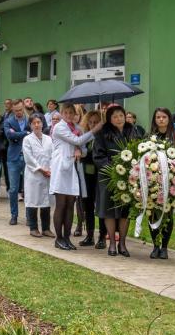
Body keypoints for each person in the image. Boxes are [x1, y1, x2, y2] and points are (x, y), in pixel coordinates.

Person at [50, 103, 100, 251]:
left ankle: (67, 238)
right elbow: (77, 141)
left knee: (70, 204)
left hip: (72, 169)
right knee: (61, 204)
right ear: (61, 114)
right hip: (61, 167)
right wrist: (96, 129)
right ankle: (58, 238)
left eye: (71, 113)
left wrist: (79, 151)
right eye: (66, 113)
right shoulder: (60, 127)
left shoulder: (77, 129)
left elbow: (83, 150)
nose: (69, 115)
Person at [93, 105, 136, 257]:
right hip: (108, 176)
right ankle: (111, 242)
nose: (119, 119)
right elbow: (98, 156)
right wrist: (114, 168)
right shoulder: (102, 134)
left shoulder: (133, 131)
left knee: (125, 211)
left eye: (121, 115)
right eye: (115, 116)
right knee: (109, 210)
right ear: (110, 119)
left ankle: (122, 243)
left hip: (129, 177)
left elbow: (139, 151)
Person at [149, 107, 175, 259]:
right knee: (152, 214)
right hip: (152, 181)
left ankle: (164, 247)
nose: (161, 119)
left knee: (167, 214)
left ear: (169, 119)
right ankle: (155, 246)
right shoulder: (149, 137)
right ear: (154, 120)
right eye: (158, 117)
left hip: (171, 182)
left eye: (164, 117)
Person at [22, 113, 53, 238]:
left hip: (47, 175)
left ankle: (46, 228)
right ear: (30, 125)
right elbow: (29, 158)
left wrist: (50, 170)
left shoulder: (49, 139)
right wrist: (41, 169)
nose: (36, 125)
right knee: (33, 201)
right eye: (34, 123)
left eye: (38, 122)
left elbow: (53, 155)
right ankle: (33, 228)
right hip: (34, 175)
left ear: (42, 123)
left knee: (46, 202)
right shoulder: (27, 139)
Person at [77, 110, 104, 248]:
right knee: (87, 206)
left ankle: (102, 237)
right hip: (86, 176)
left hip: (100, 176)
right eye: (91, 122)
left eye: (96, 122)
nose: (93, 125)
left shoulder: (104, 136)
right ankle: (89, 235)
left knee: (101, 207)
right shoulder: (84, 137)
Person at [3, 99, 29, 225]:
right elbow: (10, 136)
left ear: (23, 107)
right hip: (13, 158)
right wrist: (26, 133)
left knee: (29, 188)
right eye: (16, 110)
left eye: (20, 109)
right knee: (13, 189)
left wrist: (17, 134)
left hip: (29, 157)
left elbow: (36, 133)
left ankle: (30, 217)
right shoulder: (8, 121)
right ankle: (14, 215)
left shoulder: (30, 119)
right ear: (12, 110)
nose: (19, 112)